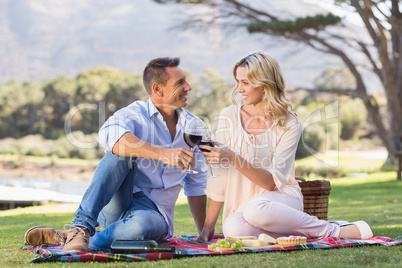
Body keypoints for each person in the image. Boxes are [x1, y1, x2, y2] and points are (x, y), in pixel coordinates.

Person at [24, 57, 208, 252]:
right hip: (117, 203)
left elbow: (196, 183)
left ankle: (69, 238)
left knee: (142, 226)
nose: (188, 87)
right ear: (157, 89)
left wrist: (204, 231)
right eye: (180, 83)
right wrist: (163, 154)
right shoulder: (134, 114)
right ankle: (81, 227)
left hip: (155, 214)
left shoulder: (193, 126)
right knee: (120, 150)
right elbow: (108, 136)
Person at [197, 51, 373, 242]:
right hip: (243, 209)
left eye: (246, 83)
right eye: (238, 82)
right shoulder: (228, 117)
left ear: (265, 84)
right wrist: (208, 226)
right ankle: (307, 233)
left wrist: (232, 156)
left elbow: (271, 183)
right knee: (232, 228)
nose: (239, 89)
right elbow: (220, 176)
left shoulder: (288, 124)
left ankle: (333, 231)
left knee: (256, 209)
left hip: (281, 200)